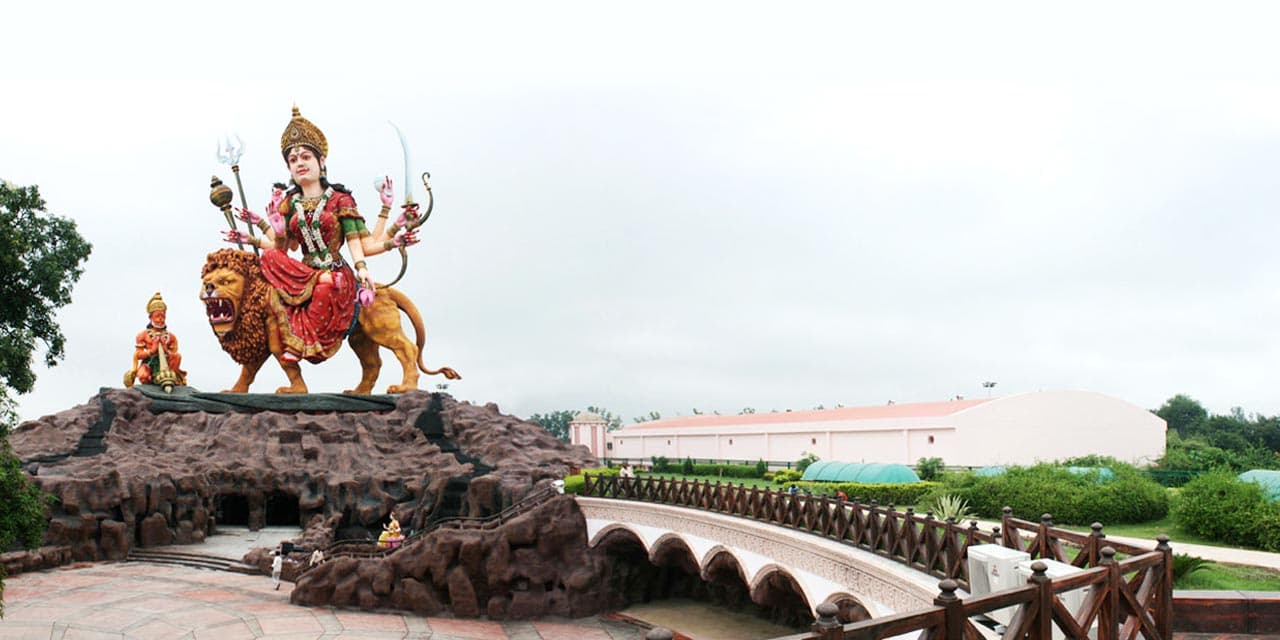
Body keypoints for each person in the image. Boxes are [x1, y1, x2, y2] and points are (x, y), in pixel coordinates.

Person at [224, 106, 420, 369]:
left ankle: (304, 343)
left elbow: (356, 243)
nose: (300, 163)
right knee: (269, 259)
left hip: (336, 272)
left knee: (327, 284)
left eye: (305, 156)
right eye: (293, 160)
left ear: (321, 160)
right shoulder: (290, 203)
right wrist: (272, 230)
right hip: (305, 272)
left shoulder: (340, 200)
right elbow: (283, 249)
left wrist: (364, 268)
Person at [124, 293, 187, 387]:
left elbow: (174, 354)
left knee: (177, 356)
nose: (160, 319)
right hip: (149, 362)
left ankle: (171, 378)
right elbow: (138, 354)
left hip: (167, 365)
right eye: (157, 316)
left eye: (163, 316)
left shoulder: (171, 336)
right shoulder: (143, 335)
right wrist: (151, 351)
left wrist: (166, 350)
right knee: (143, 376)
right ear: (150, 317)